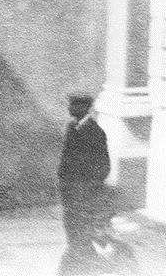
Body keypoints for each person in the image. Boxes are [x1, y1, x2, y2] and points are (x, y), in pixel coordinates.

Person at [57, 93, 111, 275]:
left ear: (84, 108)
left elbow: (104, 167)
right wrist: (64, 185)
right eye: (70, 104)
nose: (69, 108)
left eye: (73, 105)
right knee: (72, 235)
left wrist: (87, 190)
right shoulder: (72, 127)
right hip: (70, 197)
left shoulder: (95, 132)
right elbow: (65, 160)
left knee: (82, 239)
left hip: (85, 198)